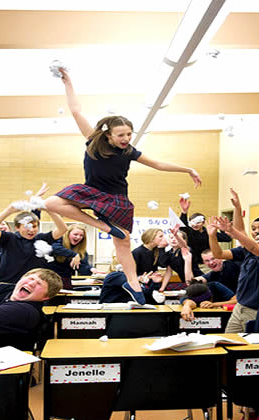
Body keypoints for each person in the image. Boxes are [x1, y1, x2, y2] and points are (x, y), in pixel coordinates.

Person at [42, 69, 201, 305]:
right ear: (108, 134)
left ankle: (133, 285)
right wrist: (68, 82)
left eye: (129, 134)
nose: (126, 138)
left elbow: (157, 163)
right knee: (50, 203)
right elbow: (76, 111)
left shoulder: (129, 152)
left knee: (124, 243)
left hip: (117, 198)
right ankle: (102, 227)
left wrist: (187, 169)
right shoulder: (93, 140)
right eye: (121, 135)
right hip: (91, 191)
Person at [207, 189, 259, 333]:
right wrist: (212, 235)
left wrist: (233, 232)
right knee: (228, 344)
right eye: (257, 239)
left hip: (257, 311)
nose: (258, 242)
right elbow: (218, 253)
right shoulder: (248, 253)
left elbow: (254, 246)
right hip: (239, 308)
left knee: (250, 350)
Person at [0, 202, 68, 286]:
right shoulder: (9, 238)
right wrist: (8, 211)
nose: (31, 230)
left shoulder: (41, 238)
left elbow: (63, 229)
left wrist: (50, 211)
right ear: (17, 228)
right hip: (8, 284)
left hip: (33, 286)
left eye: (34, 226)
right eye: (26, 227)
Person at [178, 196, 232, 276]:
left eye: (198, 222)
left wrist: (221, 228)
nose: (195, 225)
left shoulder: (209, 232)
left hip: (207, 264)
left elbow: (227, 238)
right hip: (193, 264)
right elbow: (182, 227)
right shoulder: (189, 232)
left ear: (203, 223)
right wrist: (184, 212)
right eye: (193, 222)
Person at [48, 224, 93, 289]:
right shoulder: (58, 240)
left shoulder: (81, 251)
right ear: (68, 234)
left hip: (66, 280)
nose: (78, 237)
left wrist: (91, 269)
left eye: (81, 235)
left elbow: (83, 268)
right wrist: (74, 255)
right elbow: (55, 248)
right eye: (75, 234)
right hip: (50, 278)